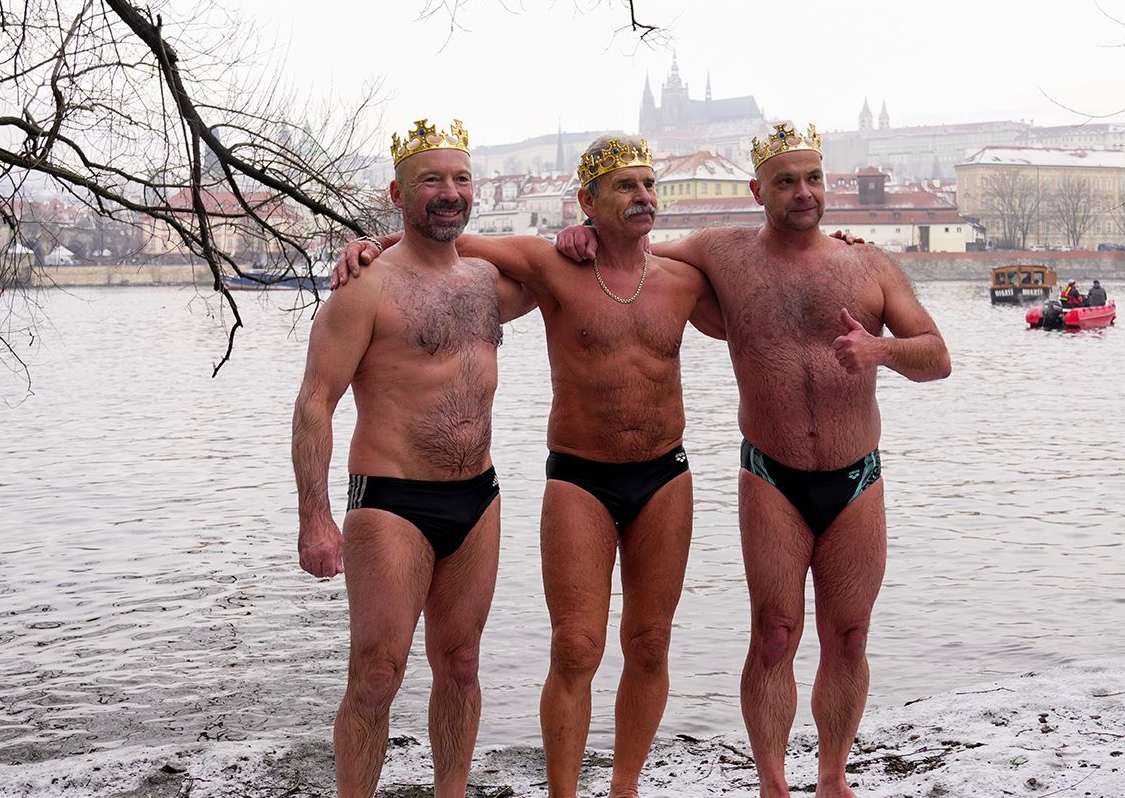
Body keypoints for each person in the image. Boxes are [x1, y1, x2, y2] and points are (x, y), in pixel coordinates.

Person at [557, 121, 952, 798]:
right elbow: (637, 251)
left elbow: (938, 357)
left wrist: (881, 351)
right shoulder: (724, 253)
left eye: (814, 178)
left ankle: (832, 776)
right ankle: (772, 782)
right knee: (774, 633)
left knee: (849, 634)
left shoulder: (869, 265)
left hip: (857, 475)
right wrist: (581, 235)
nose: (804, 192)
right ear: (757, 189)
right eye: (787, 181)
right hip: (770, 474)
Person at [329, 134, 725, 797]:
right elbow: (447, 246)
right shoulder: (551, 266)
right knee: (574, 646)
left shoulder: (684, 277)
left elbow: (761, 285)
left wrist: (844, 249)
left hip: (665, 474)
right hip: (578, 476)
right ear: (587, 201)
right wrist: (373, 246)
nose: (643, 197)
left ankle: (625, 786)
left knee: (650, 643)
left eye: (648, 185)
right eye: (625, 187)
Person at [292, 118, 537, 798]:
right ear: (397, 190)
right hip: (392, 501)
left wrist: (391, 234)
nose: (450, 192)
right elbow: (315, 401)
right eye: (431, 179)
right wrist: (314, 517)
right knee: (377, 671)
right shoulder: (365, 286)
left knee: (460, 663)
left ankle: (450, 791)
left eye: (461, 178)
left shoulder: (488, 283)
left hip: (477, 499)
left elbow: (555, 266)